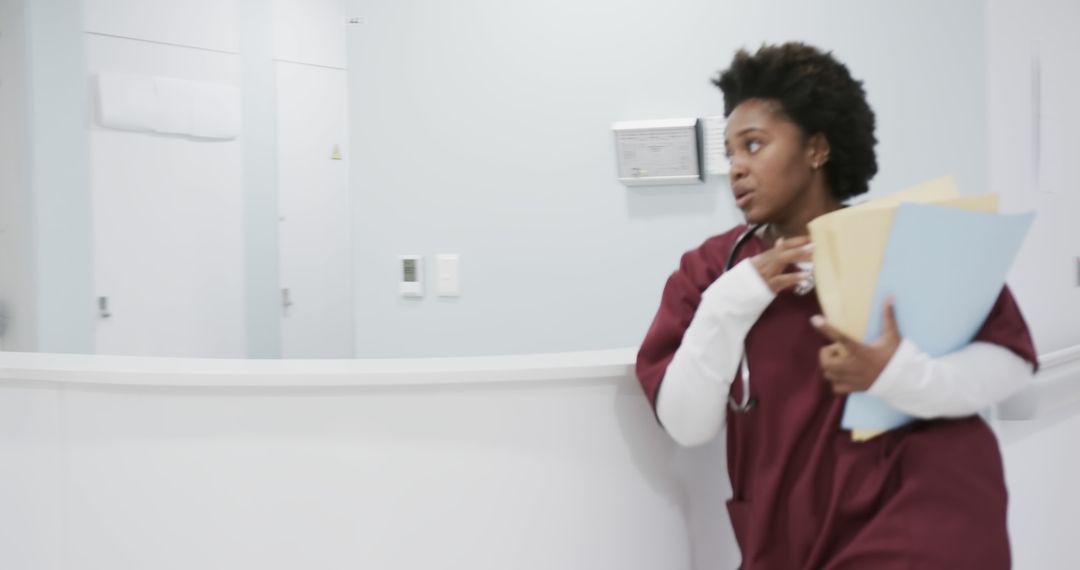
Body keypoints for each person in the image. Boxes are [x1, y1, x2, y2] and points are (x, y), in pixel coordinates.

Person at [636, 42, 1038, 570]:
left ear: (816, 149)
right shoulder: (712, 271)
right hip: (790, 533)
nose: (735, 168)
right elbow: (688, 425)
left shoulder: (905, 238)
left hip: (922, 509)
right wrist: (735, 298)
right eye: (729, 153)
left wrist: (894, 375)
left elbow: (1008, 363)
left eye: (753, 145)